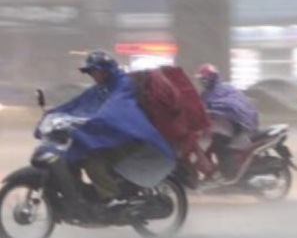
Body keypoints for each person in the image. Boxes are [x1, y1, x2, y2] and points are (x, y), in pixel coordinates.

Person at [44, 51, 174, 208]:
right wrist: (54, 113)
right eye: (91, 72)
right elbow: (78, 103)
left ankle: (112, 198)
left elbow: (114, 107)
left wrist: (93, 120)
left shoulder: (123, 84)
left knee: (93, 162)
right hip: (111, 136)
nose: (93, 75)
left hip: (128, 137)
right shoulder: (101, 88)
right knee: (74, 153)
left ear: (106, 70)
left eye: (95, 71)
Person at [196, 63, 259, 181]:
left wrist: (212, 108)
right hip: (217, 127)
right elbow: (199, 108)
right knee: (206, 144)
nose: (203, 82)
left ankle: (229, 174)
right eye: (201, 79)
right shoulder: (206, 94)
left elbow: (233, 104)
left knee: (218, 145)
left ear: (212, 77)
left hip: (228, 127)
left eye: (205, 79)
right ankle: (218, 172)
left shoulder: (224, 89)